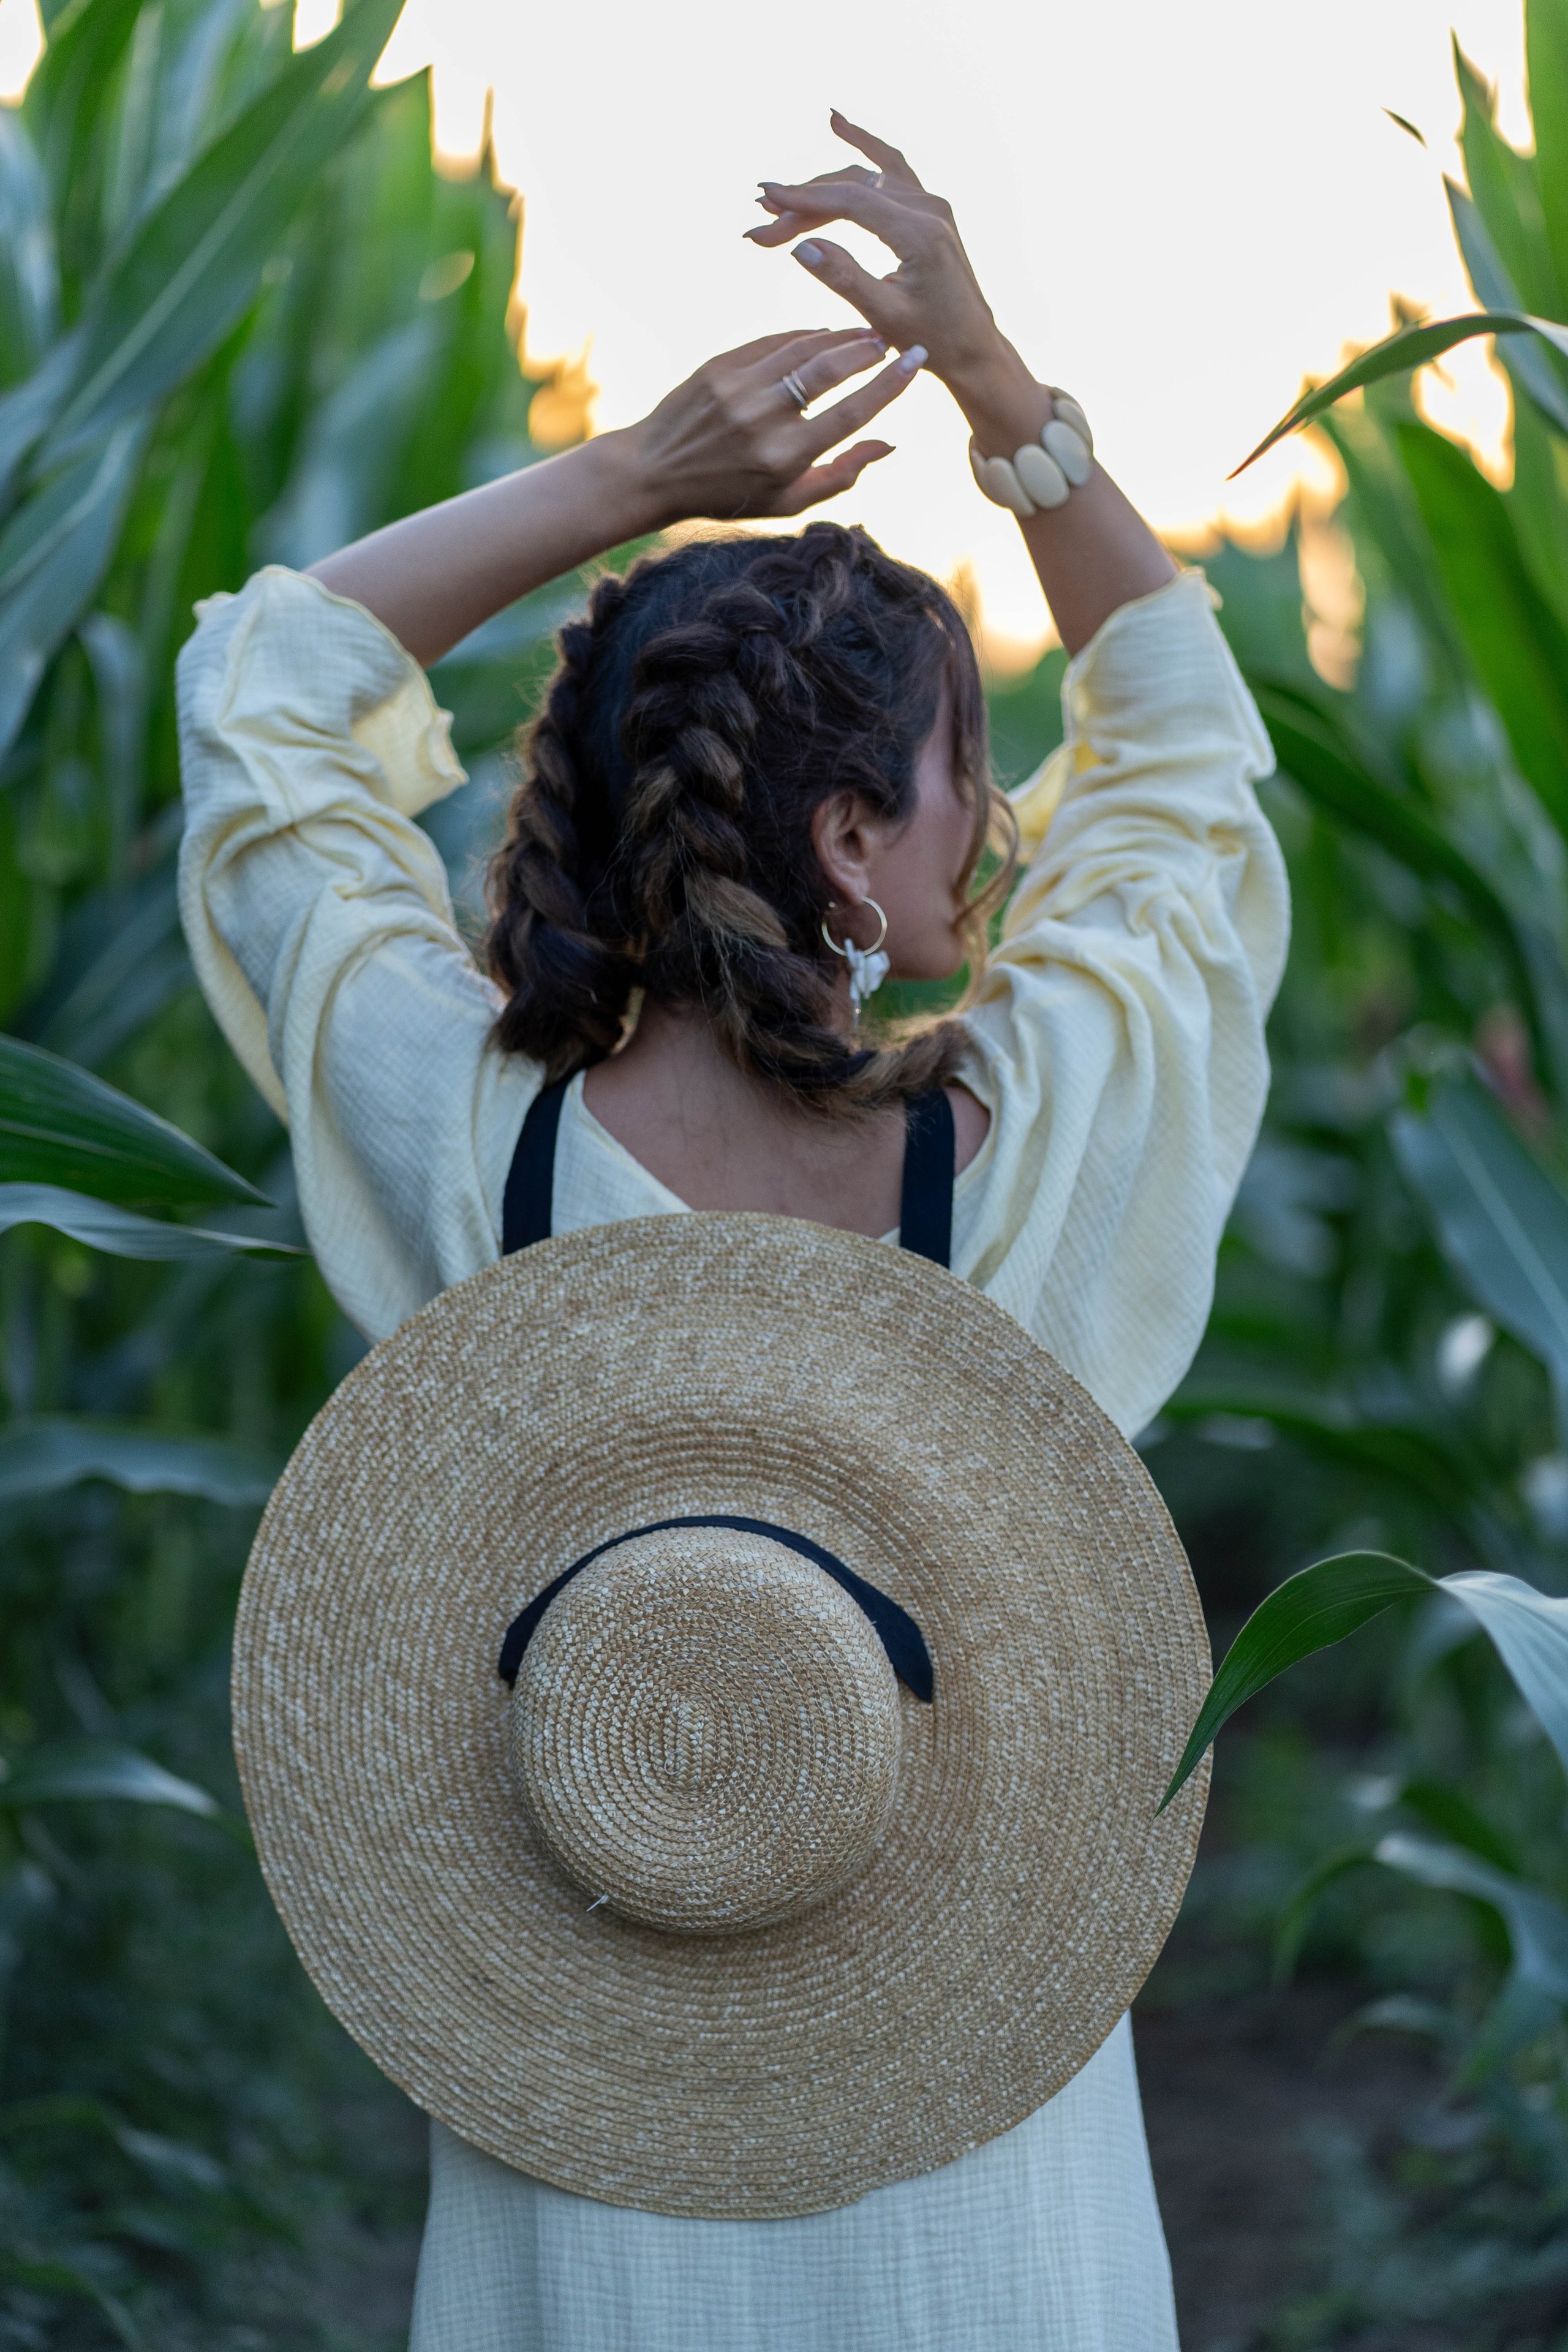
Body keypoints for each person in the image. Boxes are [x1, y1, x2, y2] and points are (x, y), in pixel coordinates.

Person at [178, 113, 1287, 2352]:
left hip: (581, 2120)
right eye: (974, 781)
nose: (998, 842)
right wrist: (998, 388)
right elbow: (1180, 757)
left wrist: (634, 478)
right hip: (987, 2174)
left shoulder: (468, 1142)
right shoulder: (1026, 1139)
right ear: (857, 837)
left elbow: (265, 700)